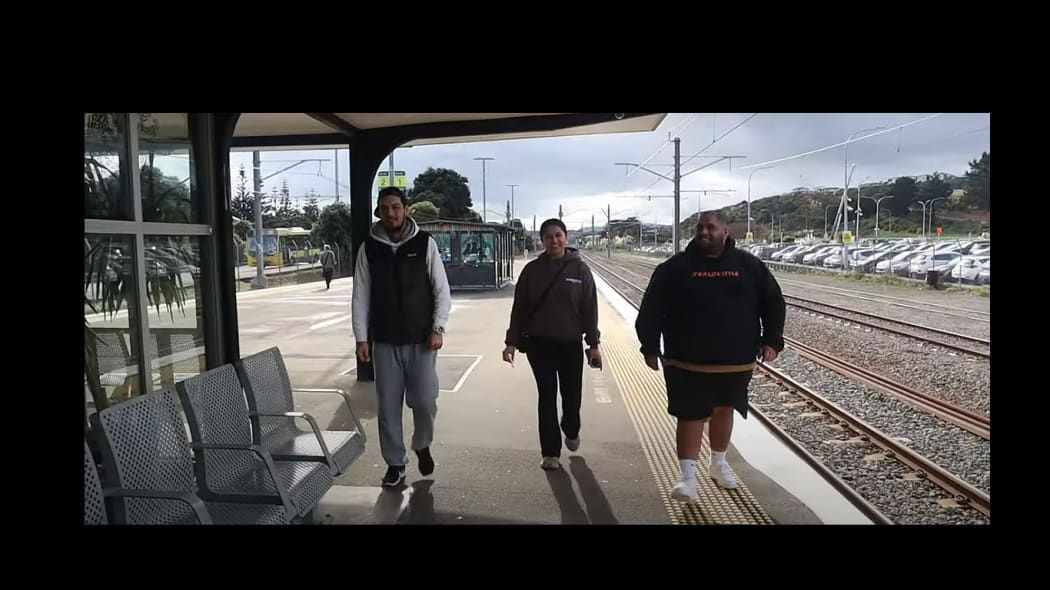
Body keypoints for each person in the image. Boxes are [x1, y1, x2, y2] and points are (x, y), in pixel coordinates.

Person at [634, 211, 785, 502]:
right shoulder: (674, 268)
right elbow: (651, 309)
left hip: (735, 359)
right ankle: (687, 479)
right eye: (700, 227)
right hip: (686, 358)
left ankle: (718, 465)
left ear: (725, 231)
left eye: (711, 227)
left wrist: (772, 341)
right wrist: (649, 347)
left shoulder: (749, 266)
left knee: (724, 410)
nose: (704, 232)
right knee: (690, 416)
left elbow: (774, 303)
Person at [352, 186, 452, 487]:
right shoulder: (368, 248)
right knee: (388, 408)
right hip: (384, 342)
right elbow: (360, 296)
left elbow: (441, 290)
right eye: (385, 208)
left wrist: (438, 327)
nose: (391, 213)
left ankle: (422, 443)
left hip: (422, 340)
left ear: (406, 209)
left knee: (424, 401)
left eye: (396, 207)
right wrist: (361, 338)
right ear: (379, 212)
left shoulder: (424, 243)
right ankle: (395, 464)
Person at [503, 218, 601, 471]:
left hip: (570, 345)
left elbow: (590, 309)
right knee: (546, 396)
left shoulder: (580, 270)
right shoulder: (532, 271)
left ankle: (571, 428)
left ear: (566, 238)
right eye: (548, 237)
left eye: (558, 235)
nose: (554, 241)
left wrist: (593, 344)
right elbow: (520, 309)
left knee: (571, 396)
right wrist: (511, 343)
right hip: (539, 345)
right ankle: (550, 452)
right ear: (542, 240)